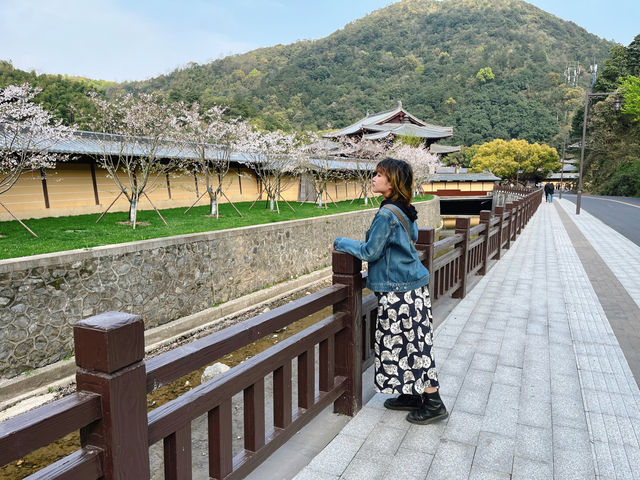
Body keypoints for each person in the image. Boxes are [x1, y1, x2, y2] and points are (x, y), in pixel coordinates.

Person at [331, 158, 447, 425]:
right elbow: (413, 238)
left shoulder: (386, 213)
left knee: (413, 346)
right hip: (411, 288)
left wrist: (339, 242)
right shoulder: (403, 208)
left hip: (400, 293)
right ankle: (410, 393)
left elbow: (370, 251)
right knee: (402, 342)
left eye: (379, 175)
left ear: (392, 181)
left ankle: (433, 402)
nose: (373, 178)